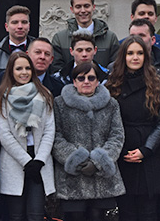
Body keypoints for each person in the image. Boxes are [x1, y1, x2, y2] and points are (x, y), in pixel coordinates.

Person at [106, 36, 160, 221]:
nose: (135, 57)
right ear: (123, 56)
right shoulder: (112, 84)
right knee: (126, 211)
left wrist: (146, 150)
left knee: (149, 211)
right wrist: (120, 149)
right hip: (122, 153)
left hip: (150, 155)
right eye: (130, 53)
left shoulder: (158, 83)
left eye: (140, 53)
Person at [52, 62, 125, 220]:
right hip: (72, 179)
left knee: (98, 216)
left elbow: (117, 135)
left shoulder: (111, 104)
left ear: (98, 81)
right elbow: (56, 137)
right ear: (74, 81)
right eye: (81, 78)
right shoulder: (59, 104)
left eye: (91, 77)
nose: (86, 81)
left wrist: (99, 162)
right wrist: (76, 159)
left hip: (102, 179)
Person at [0, 52, 55, 221]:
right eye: (19, 68)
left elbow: (49, 131)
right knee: (16, 216)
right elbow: (4, 134)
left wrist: (38, 160)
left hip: (39, 163)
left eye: (28, 68)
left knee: (36, 215)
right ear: (11, 71)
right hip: (15, 162)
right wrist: (26, 161)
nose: (24, 72)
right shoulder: (2, 98)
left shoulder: (44, 95)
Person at [51, 0, 120, 72]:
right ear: (72, 9)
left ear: (93, 7)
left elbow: (116, 68)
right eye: (78, 7)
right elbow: (56, 70)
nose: (83, 10)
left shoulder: (110, 38)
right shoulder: (59, 39)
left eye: (86, 6)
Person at [128, 18, 160, 91]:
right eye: (132, 36)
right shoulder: (117, 68)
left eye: (141, 35)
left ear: (153, 40)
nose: (136, 39)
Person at [0, 5, 36, 77]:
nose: (20, 26)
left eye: (24, 22)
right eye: (15, 22)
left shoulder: (40, 53)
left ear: (29, 26)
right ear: (6, 27)